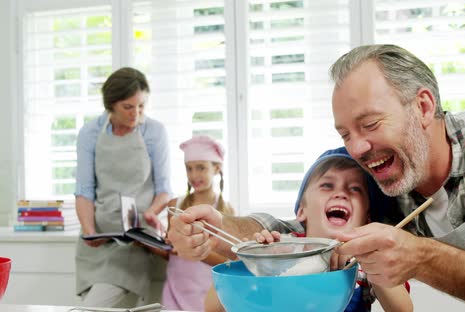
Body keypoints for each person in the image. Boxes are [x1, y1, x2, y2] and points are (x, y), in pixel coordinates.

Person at [168, 44, 465, 311]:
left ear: (423, 107)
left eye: (369, 124)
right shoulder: (391, 183)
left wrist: (422, 256)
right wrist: (221, 231)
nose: (356, 149)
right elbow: (300, 234)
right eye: (345, 134)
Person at [203, 148, 412, 312]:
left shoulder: (365, 261)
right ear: (302, 210)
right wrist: (254, 261)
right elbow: (212, 308)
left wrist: (369, 255)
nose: (341, 193)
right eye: (327, 186)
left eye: (355, 189)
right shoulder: (282, 250)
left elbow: (403, 310)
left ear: (367, 217)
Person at [74, 67, 172, 307]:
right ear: (111, 105)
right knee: (90, 307)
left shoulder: (154, 132)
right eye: (128, 107)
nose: (136, 114)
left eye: (141, 106)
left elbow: (164, 189)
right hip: (97, 242)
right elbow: (84, 191)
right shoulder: (90, 133)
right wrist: (88, 231)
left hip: (134, 242)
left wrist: (151, 213)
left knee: (90, 310)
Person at [161, 135, 235, 312]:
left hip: (206, 289)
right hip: (175, 288)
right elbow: (170, 251)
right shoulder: (174, 205)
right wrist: (149, 243)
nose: (194, 175)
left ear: (216, 168)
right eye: (189, 169)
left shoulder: (225, 210)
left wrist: (193, 250)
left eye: (201, 168)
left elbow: (228, 260)